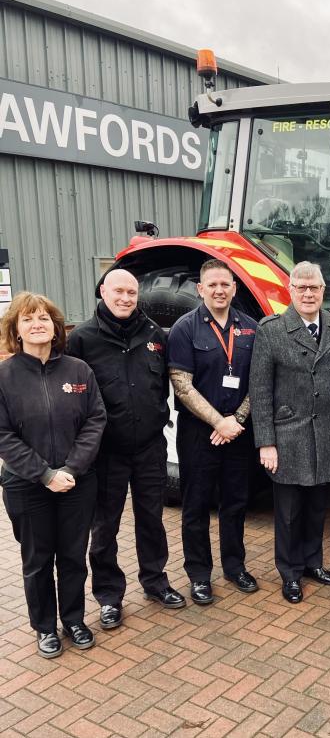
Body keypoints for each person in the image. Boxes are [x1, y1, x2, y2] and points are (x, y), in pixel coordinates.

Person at [66, 270, 186, 628]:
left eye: (131, 292)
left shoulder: (155, 335)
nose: (125, 298)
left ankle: (155, 582)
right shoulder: (83, 340)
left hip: (150, 447)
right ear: (103, 291)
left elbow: (168, 382)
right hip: (106, 453)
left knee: (151, 519)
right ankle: (108, 595)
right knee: (105, 526)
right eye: (118, 290)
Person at [0, 292, 106, 658]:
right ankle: (44, 627)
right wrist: (45, 475)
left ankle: (74, 619)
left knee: (74, 555)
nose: (37, 324)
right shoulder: (4, 376)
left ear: (56, 326)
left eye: (44, 318)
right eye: (28, 319)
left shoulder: (78, 370)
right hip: (26, 485)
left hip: (77, 482)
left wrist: (72, 468)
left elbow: (96, 419)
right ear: (16, 329)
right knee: (38, 559)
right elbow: (3, 435)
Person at [250, 261, 330, 604]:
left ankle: (313, 563)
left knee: (317, 506)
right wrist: (266, 442)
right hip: (289, 434)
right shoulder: (272, 330)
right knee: (290, 512)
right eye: (301, 287)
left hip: (327, 432)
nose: (308, 294)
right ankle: (290, 573)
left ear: (323, 291)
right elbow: (260, 390)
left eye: (314, 288)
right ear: (290, 290)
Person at [168, 259, 258, 605]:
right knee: (196, 506)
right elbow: (182, 385)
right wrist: (218, 422)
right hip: (198, 435)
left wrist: (236, 419)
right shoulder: (184, 329)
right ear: (200, 289)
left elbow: (258, 382)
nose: (220, 290)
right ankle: (199, 575)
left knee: (236, 502)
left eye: (226, 284)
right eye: (213, 285)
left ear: (235, 288)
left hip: (238, 431)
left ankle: (235, 566)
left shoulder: (250, 327)